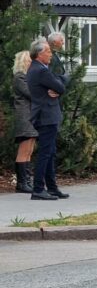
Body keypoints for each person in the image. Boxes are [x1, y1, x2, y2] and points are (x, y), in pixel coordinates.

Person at [26, 38, 68, 200]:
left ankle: (52, 187)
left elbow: (60, 82)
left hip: (45, 115)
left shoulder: (37, 69)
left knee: (50, 152)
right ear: (39, 54)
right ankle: (38, 188)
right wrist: (58, 84)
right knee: (45, 152)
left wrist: (58, 83)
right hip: (46, 115)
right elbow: (61, 86)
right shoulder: (41, 71)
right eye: (48, 52)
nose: (51, 54)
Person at [12, 51, 38, 193]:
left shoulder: (29, 77)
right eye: (29, 60)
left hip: (32, 117)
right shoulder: (20, 78)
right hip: (24, 117)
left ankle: (27, 180)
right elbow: (31, 94)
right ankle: (22, 183)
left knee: (29, 149)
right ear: (23, 62)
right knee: (24, 149)